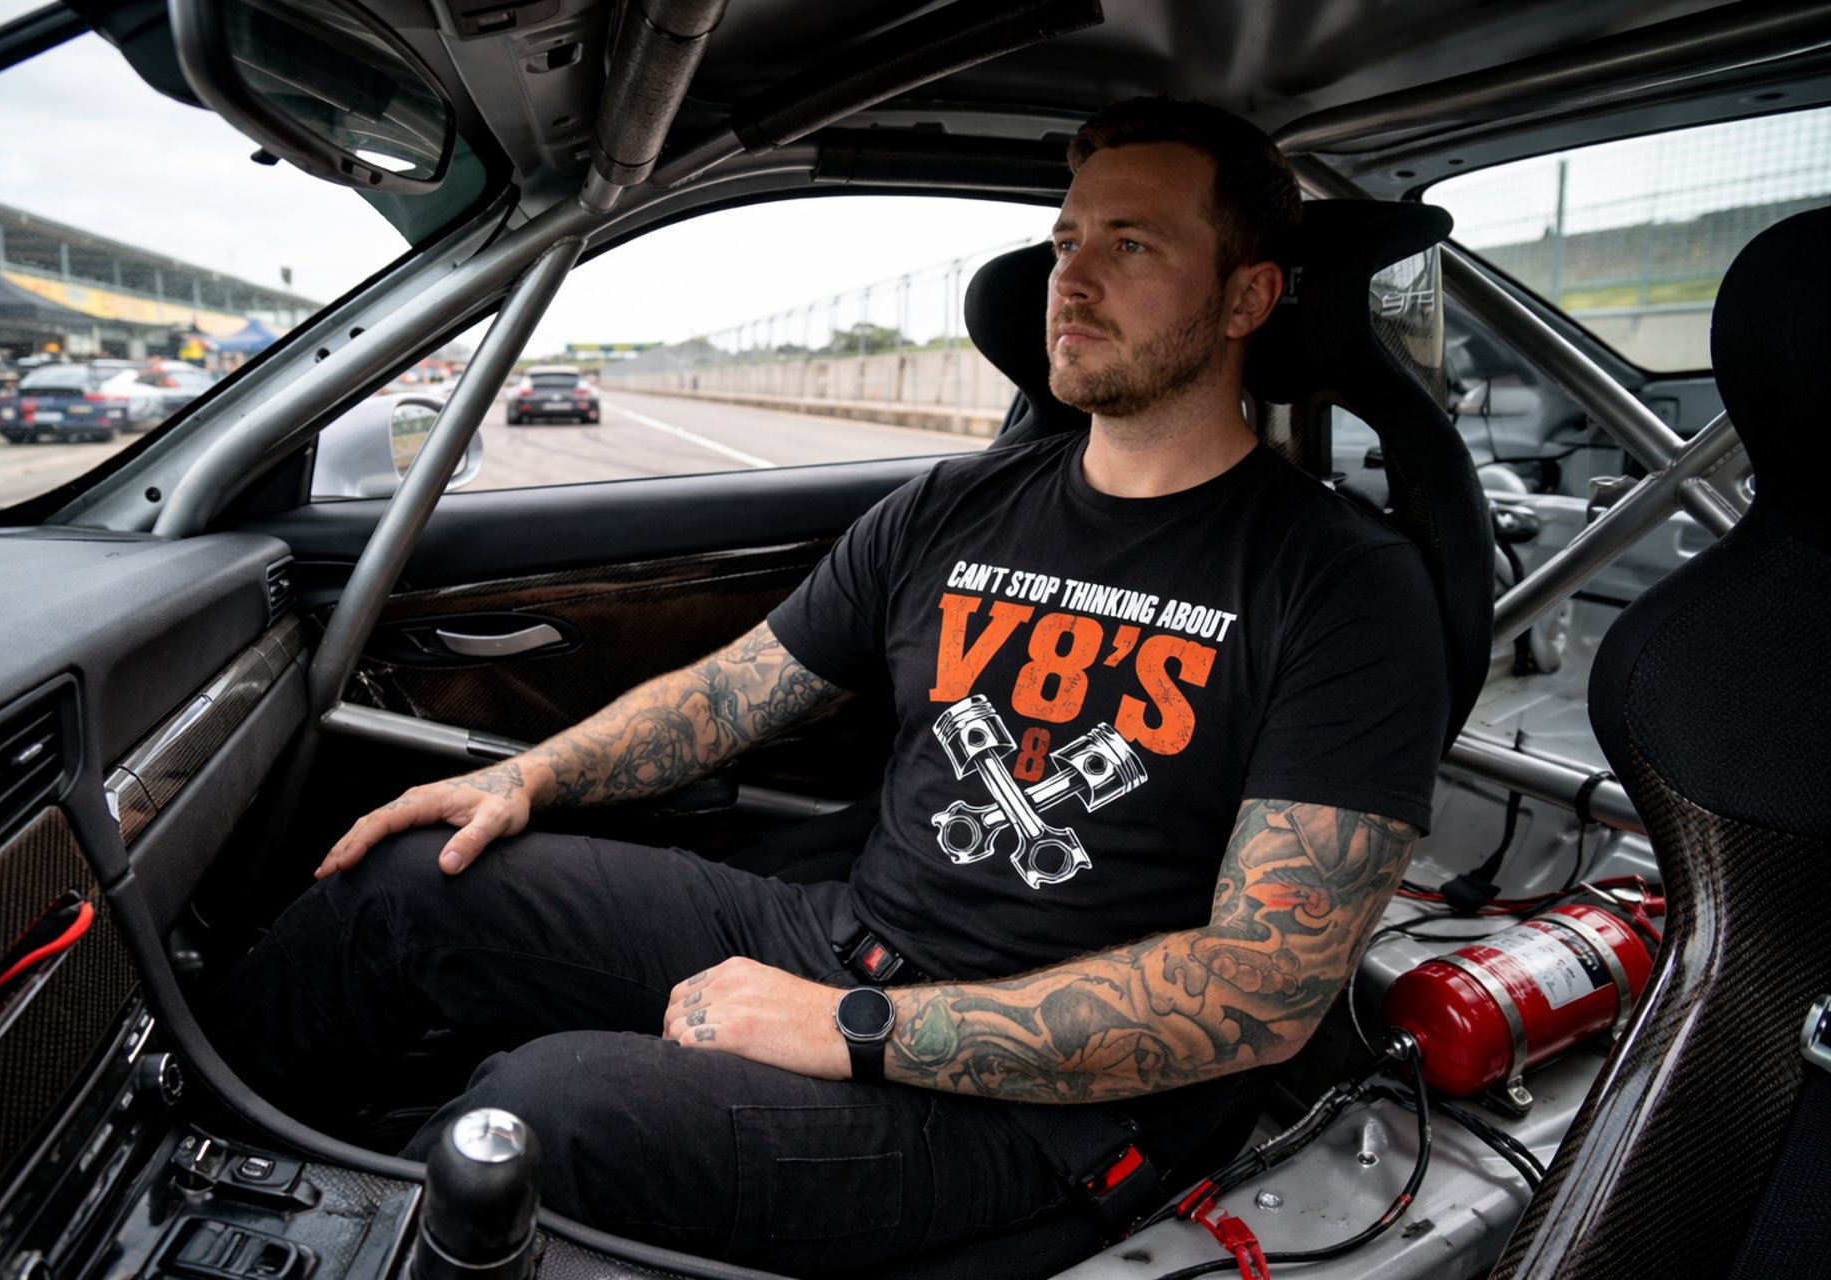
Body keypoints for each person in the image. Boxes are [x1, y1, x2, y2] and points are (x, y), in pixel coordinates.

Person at [207, 95, 1448, 1272]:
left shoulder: (1338, 582)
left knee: (548, 1111)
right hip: (845, 936)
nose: (1072, 276)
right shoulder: (958, 505)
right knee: (413, 881)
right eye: (1067, 237)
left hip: (1046, 1108)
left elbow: (1262, 986)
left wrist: (855, 1031)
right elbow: (732, 694)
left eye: (1133, 243)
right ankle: (187, 1156)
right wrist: (524, 778)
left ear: (1248, 295)